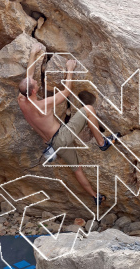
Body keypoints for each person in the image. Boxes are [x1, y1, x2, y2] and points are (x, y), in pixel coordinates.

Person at [17, 42, 118, 206]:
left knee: (77, 169)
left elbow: (28, 78)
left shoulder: (22, 100)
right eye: (35, 84)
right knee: (88, 109)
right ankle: (102, 142)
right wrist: (69, 69)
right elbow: (66, 92)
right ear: (34, 91)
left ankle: (95, 196)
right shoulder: (43, 105)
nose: (35, 81)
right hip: (62, 137)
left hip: (53, 144)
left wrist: (33, 54)